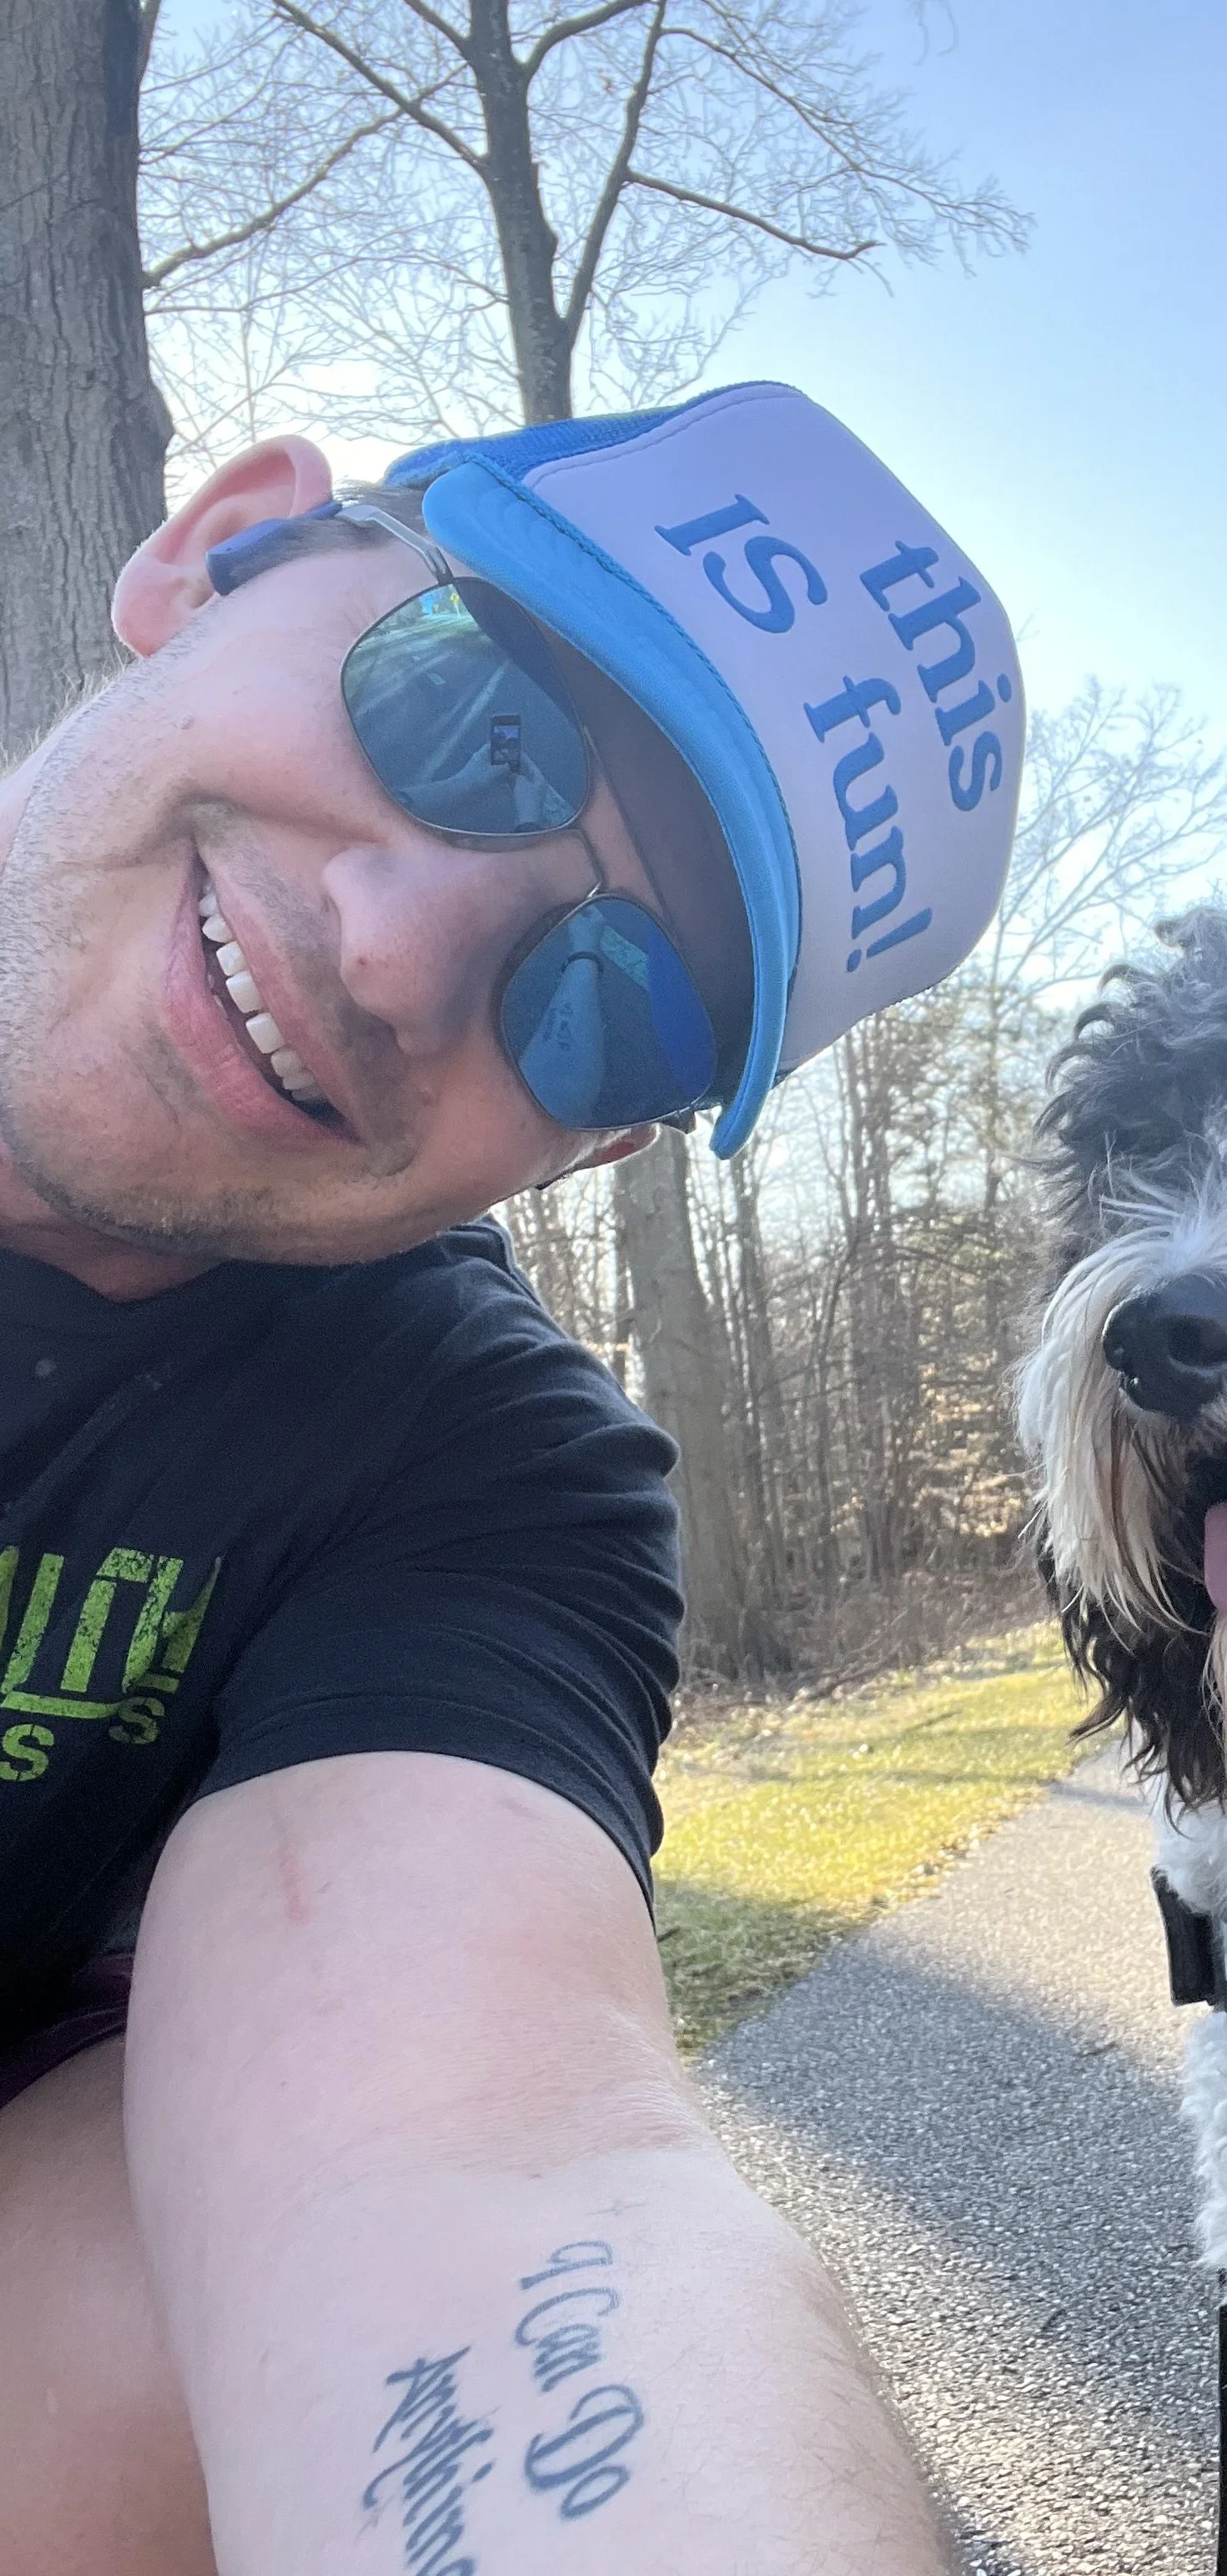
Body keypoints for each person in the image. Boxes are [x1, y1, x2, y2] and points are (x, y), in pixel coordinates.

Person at [0, 379, 1023, 2574]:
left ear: (609, 1139)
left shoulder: (478, 1471)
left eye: (605, 1004)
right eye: (467, 706)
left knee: (165, 2285)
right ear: (225, 541)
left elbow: (465, 2160)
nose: (391, 958)